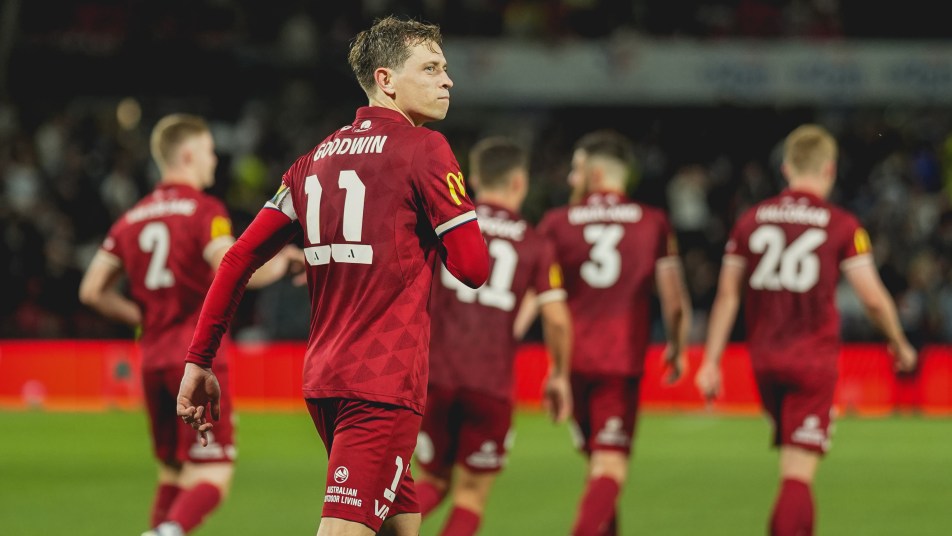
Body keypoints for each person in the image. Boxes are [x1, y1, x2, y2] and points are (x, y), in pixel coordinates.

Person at [175, 16, 490, 536]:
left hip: (325, 379)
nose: (447, 80)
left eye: (446, 68)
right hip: (383, 384)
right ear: (386, 80)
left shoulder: (311, 162)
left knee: (400, 527)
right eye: (432, 67)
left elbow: (236, 260)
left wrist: (198, 360)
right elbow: (473, 269)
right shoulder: (425, 149)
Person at [78, 113, 304, 536]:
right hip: (197, 360)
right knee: (213, 473)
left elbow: (91, 290)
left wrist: (142, 316)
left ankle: (161, 529)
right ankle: (169, 531)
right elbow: (233, 269)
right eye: (208, 153)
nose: (214, 162)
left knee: (171, 470)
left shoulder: (132, 218)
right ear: (186, 154)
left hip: (152, 359)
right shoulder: (204, 211)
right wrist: (285, 260)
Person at [694, 124, 918, 536]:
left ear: (785, 167)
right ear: (829, 170)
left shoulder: (750, 219)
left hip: (763, 359)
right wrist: (899, 342)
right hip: (811, 360)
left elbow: (727, 296)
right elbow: (871, 297)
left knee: (791, 469)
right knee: (798, 475)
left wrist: (710, 360)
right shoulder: (842, 225)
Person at [413, 137, 573, 535]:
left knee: (431, 482)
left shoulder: (443, 224)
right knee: (470, 496)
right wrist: (560, 375)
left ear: (472, 179)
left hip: (434, 375)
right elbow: (557, 319)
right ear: (520, 183)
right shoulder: (535, 242)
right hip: (490, 382)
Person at [537, 130, 691, 536]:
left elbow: (536, 296)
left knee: (597, 465)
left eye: (576, 169)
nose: (571, 178)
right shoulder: (653, 221)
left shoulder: (556, 223)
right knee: (609, 466)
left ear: (596, 171)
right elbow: (674, 302)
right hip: (620, 361)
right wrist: (676, 347)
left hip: (571, 363)